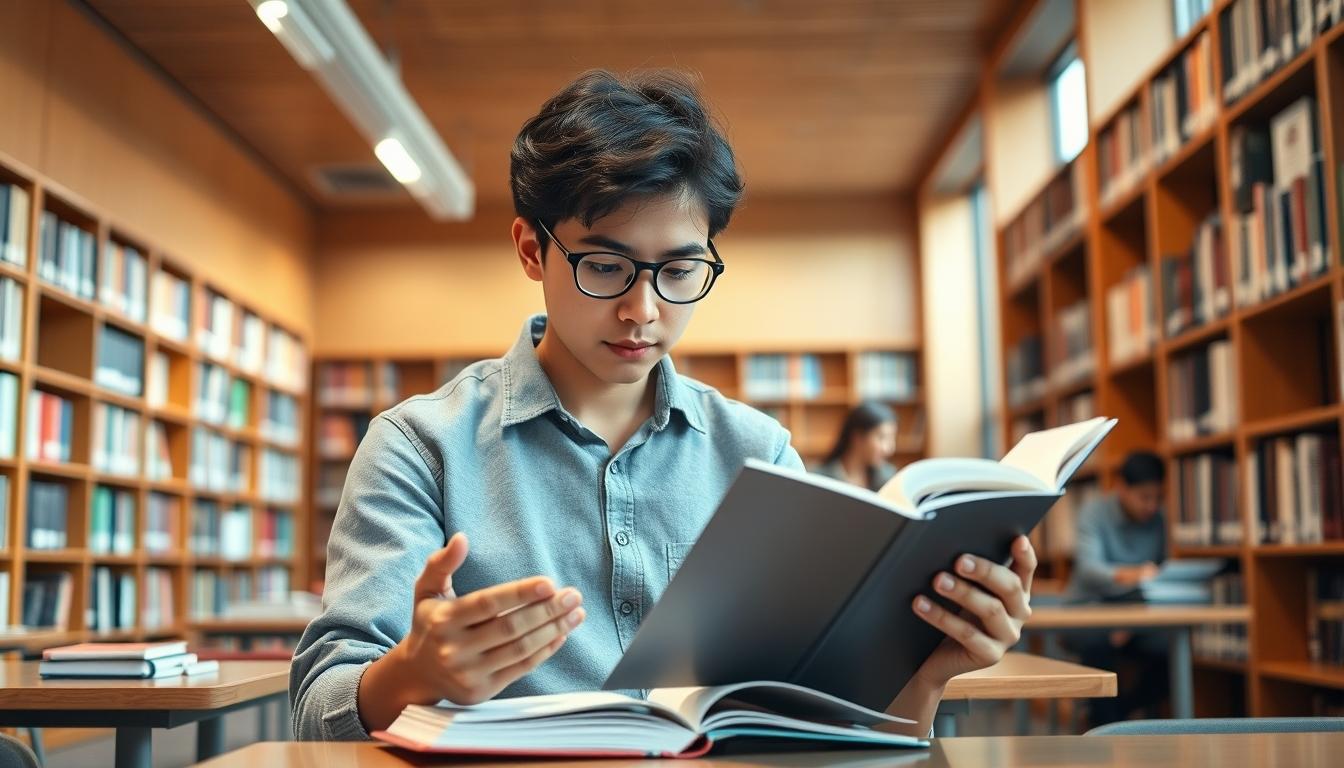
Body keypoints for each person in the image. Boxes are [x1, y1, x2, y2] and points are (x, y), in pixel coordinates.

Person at [290, 69, 1037, 742]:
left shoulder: (760, 453)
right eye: (606, 266)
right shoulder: (420, 446)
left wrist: (926, 670)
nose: (642, 310)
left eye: (680, 269)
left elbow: (822, 726)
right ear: (530, 249)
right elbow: (316, 709)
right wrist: (415, 673)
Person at [1065, 450, 1169, 725]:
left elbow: (1161, 574)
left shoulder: (1159, 520)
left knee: (1172, 649)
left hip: (1138, 615)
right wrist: (1135, 574)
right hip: (1086, 612)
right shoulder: (1094, 513)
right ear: (1122, 488)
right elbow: (1089, 571)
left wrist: (1130, 623)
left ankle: (1118, 718)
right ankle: (1103, 732)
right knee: (1099, 646)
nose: (1152, 506)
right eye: (1144, 497)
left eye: (1158, 497)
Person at [814, 402, 899, 492]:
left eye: (892, 438)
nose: (890, 449)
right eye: (882, 438)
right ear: (857, 437)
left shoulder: (889, 479)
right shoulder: (819, 480)